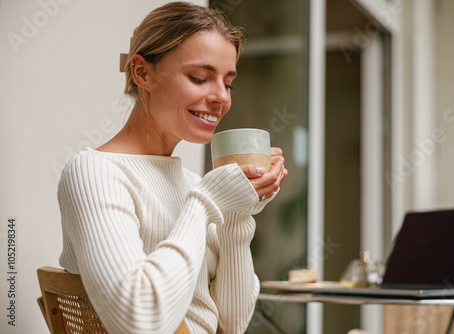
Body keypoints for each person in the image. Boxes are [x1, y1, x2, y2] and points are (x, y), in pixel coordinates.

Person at [57, 2, 287, 334]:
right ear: (142, 73)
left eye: (228, 83)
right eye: (199, 77)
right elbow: (138, 322)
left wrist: (238, 214)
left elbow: (231, 325)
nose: (222, 97)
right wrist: (206, 203)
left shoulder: (194, 184)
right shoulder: (95, 172)